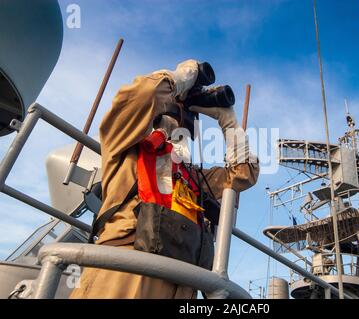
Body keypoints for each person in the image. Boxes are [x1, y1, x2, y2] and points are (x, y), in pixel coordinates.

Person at [70, 60, 259, 299]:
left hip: (183, 283)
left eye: (182, 124)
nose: (177, 128)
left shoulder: (192, 178)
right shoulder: (127, 149)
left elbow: (244, 174)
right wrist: (182, 78)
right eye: (170, 118)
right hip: (126, 273)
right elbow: (142, 94)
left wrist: (227, 120)